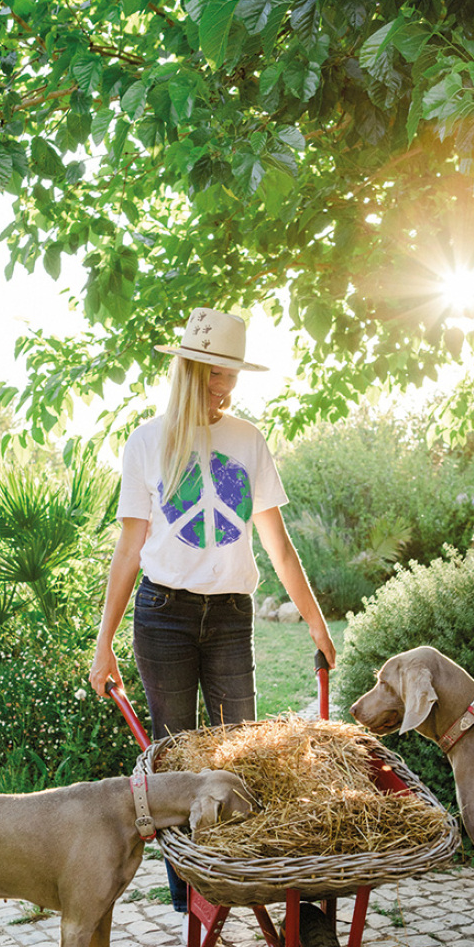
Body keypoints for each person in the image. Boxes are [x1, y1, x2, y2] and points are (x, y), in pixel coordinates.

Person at [89, 306, 336, 916]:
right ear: (186, 371)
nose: (224, 388)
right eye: (213, 375)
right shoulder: (148, 442)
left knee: (237, 749)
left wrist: (316, 620)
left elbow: (278, 543)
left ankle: (235, 874)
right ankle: (189, 892)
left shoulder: (248, 441)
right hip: (162, 614)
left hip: (229, 614)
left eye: (232, 376)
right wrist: (103, 644)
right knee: (174, 755)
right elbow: (129, 549)